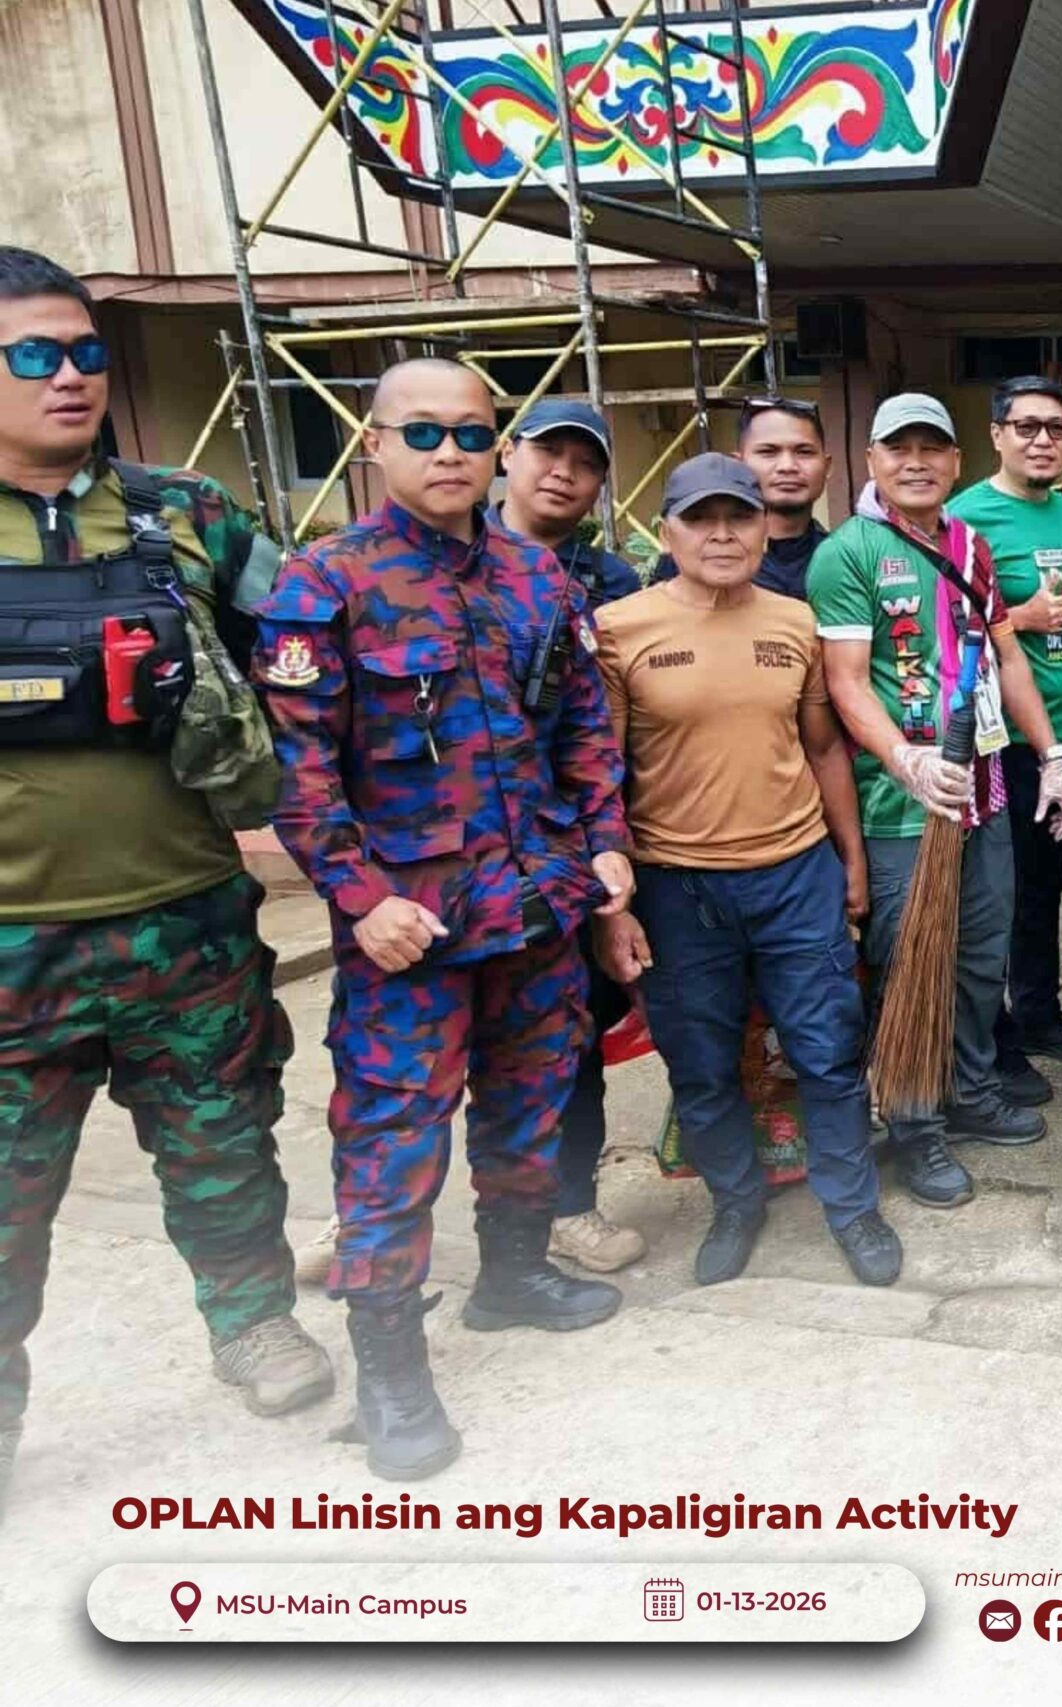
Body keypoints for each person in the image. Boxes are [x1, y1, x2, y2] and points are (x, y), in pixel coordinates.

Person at [255, 357, 631, 1480]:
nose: (451, 452)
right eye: (422, 433)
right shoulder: (325, 583)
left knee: (529, 1107)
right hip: (409, 933)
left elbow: (582, 727)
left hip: (535, 909)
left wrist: (603, 841)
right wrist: (359, 899)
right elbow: (298, 776)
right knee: (392, 1147)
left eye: (471, 432)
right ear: (374, 444)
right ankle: (390, 1369)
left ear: (497, 448)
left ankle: (511, 1276)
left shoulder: (538, 577)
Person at [0, 246, 328, 1508]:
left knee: (224, 1143)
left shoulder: (181, 512)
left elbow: (305, 638)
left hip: (184, 922)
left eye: (85, 351)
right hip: (11, 946)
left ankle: (253, 1324)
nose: (71, 375)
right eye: (35, 354)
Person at [590, 455, 899, 1289]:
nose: (723, 534)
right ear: (669, 531)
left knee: (828, 1049)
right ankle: (735, 1200)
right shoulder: (620, 628)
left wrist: (851, 860)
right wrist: (613, 906)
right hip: (676, 884)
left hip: (795, 872)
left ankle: (852, 1207)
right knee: (700, 1060)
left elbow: (824, 748)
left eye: (740, 517)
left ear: (765, 528)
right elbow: (599, 773)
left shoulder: (795, 621)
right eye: (702, 518)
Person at [808, 392, 1062, 1205]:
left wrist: (1053, 755)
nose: (917, 462)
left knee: (978, 957)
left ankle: (968, 1089)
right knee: (910, 961)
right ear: (871, 460)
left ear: (957, 461)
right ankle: (915, 1124)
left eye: (932, 448)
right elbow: (846, 683)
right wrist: (904, 760)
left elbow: (1009, 657)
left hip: (985, 791)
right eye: (899, 448)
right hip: (903, 807)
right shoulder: (849, 553)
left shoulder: (969, 543)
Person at [489, 398, 648, 1276]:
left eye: (585, 464)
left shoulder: (608, 582)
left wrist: (608, 847)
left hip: (564, 848)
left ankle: (569, 1206)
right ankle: (369, 1218)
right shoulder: (432, 562)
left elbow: (607, 728)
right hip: (438, 854)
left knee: (570, 1036)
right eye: (548, 453)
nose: (564, 474)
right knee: (411, 1051)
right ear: (508, 455)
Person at [951, 377, 1062, 1097]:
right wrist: (1021, 617)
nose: (1043, 441)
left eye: (1057, 429)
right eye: (1027, 427)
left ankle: (1040, 1012)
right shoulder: (966, 517)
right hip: (1005, 742)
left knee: (1047, 885)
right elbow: (946, 629)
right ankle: (995, 1040)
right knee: (998, 897)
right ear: (997, 435)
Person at [737, 397, 833, 599]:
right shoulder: (708, 561)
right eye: (768, 452)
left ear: (827, 467)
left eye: (804, 452)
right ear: (738, 465)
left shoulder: (849, 559)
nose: (787, 466)